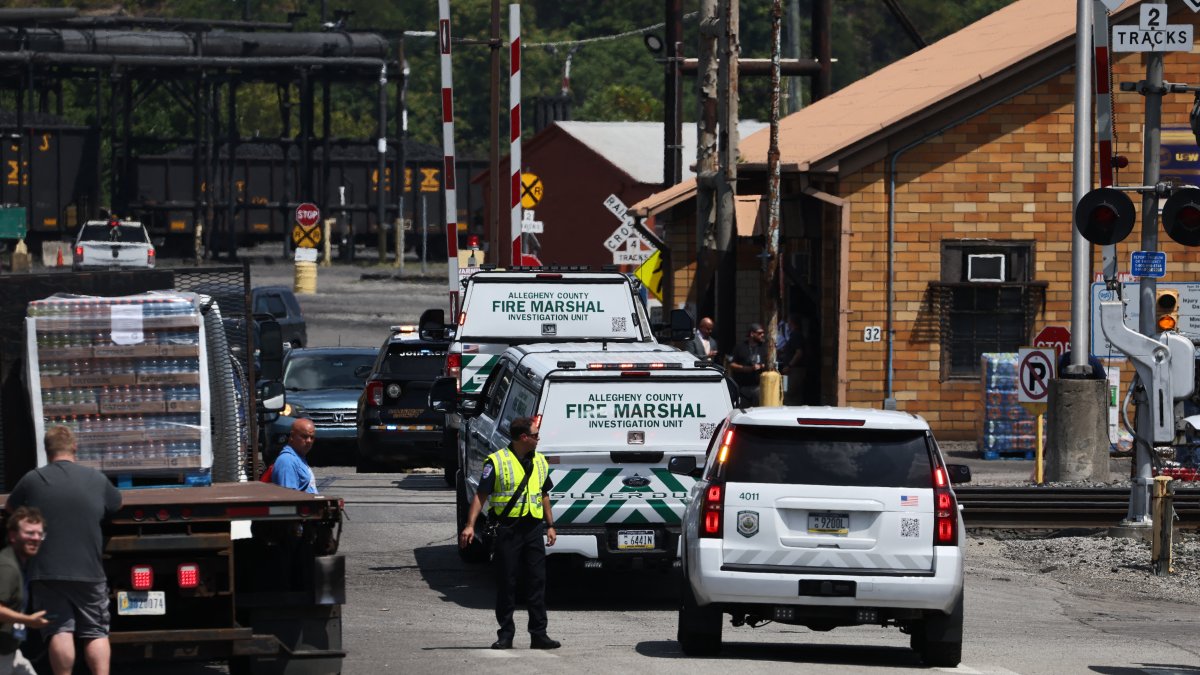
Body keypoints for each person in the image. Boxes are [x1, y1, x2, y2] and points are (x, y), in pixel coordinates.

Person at [5, 426, 121, 675]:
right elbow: (115, 504)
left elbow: (10, 507)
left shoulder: (33, 479)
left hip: (46, 572)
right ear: (75, 448)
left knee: (59, 629)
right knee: (96, 631)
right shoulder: (96, 479)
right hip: (89, 570)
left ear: (47, 451)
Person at [458, 417, 560, 651]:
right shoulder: (496, 461)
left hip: (533, 528)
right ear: (523, 437)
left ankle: (539, 634)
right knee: (507, 582)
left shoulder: (540, 462)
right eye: (535, 435)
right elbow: (480, 496)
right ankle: (505, 634)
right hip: (508, 529)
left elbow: (544, 494)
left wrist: (551, 525)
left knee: (537, 581)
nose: (538, 438)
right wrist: (470, 525)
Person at [0, 507, 50, 675]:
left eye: (39, 534)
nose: (36, 538)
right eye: (29, 533)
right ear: (13, 536)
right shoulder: (7, 567)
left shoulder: (19, 564)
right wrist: (28, 620)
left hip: (10, 650)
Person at [271, 418, 318, 494]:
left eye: (312, 437)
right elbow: (288, 497)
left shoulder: (298, 457)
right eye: (304, 436)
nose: (309, 441)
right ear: (292, 436)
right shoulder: (287, 461)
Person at [729, 323, 769, 406]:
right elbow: (732, 364)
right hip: (742, 388)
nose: (762, 335)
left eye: (763, 333)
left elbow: (769, 364)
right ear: (752, 334)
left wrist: (762, 366)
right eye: (759, 333)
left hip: (759, 387)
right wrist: (747, 368)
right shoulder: (740, 347)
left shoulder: (764, 347)